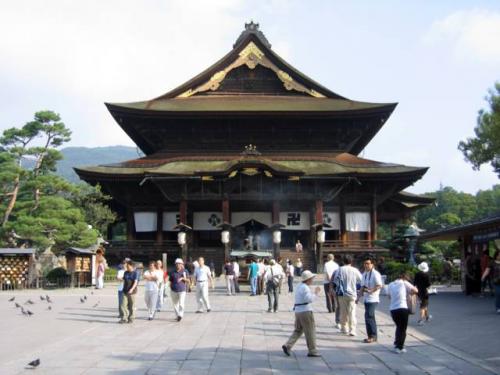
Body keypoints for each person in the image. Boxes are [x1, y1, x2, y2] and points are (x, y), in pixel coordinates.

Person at [282, 270, 322, 358]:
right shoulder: (305, 287)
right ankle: (312, 350)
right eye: (312, 278)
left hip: (298, 311)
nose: (312, 280)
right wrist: (316, 293)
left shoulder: (299, 286)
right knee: (310, 330)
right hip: (306, 311)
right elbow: (309, 299)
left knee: (298, 330)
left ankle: (288, 345)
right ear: (308, 279)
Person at [388, 273, 418, 353]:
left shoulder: (390, 284)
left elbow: (389, 296)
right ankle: (399, 347)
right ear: (404, 278)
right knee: (402, 329)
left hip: (393, 309)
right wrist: (410, 292)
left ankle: (396, 343)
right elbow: (415, 291)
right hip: (402, 308)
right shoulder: (404, 282)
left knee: (399, 327)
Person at [333, 255, 362, 336]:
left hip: (341, 293)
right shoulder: (354, 270)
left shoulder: (339, 270)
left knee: (343, 311)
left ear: (343, 261)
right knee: (352, 312)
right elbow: (361, 279)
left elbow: (335, 280)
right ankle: (352, 329)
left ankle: (344, 328)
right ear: (351, 261)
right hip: (352, 293)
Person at [361, 257, 383, 343]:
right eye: (365, 263)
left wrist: (371, 290)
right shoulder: (365, 274)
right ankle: (370, 335)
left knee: (369, 316)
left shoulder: (375, 273)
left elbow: (379, 285)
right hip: (366, 299)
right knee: (368, 317)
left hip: (373, 298)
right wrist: (358, 297)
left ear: (372, 264)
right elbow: (362, 287)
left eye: (368, 263)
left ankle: (373, 336)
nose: (366, 265)